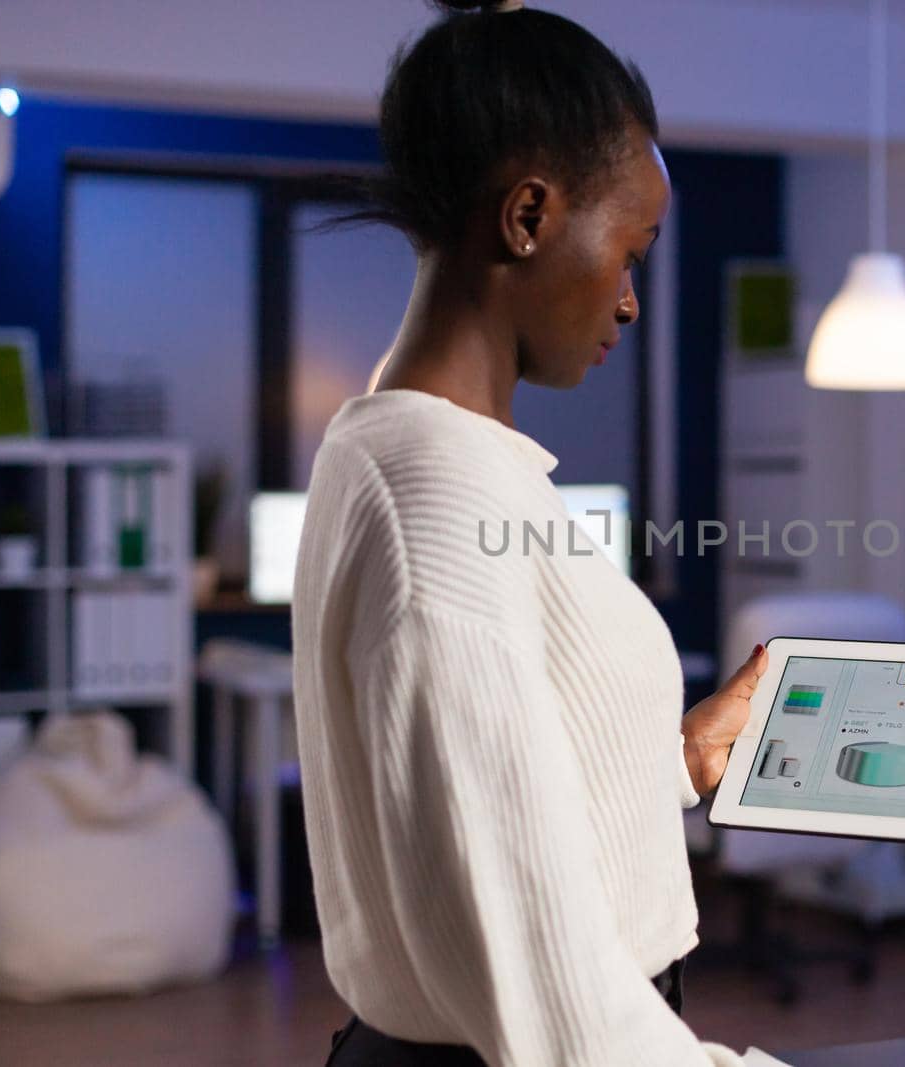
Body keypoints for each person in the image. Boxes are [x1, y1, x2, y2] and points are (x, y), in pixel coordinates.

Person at [290, 2, 767, 1063]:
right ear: (527, 218)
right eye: (632, 249)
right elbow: (564, 1017)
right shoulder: (438, 505)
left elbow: (478, 819)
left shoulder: (414, 454)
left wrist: (678, 756)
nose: (633, 300)